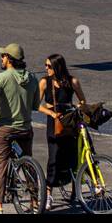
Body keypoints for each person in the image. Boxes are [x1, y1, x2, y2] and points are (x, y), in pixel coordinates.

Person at [0, 41, 41, 213]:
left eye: (3, 55)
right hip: (25, 129)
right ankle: (35, 201)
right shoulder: (32, 78)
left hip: (5, 129)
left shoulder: (1, 78)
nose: (1, 58)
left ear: (9, 59)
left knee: (1, 164)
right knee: (28, 164)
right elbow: (36, 105)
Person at [37, 53, 87, 211]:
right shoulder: (45, 82)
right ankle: (48, 193)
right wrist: (51, 113)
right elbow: (35, 104)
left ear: (57, 67)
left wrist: (78, 107)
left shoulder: (72, 81)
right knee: (54, 157)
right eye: (45, 65)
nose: (46, 68)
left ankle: (74, 191)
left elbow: (83, 101)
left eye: (49, 66)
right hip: (55, 122)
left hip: (70, 121)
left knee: (72, 157)